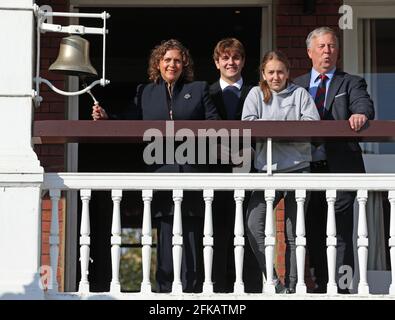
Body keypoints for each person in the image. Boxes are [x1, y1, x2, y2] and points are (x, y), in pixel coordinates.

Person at [92, 39, 219, 293]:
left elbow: (215, 124)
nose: (172, 64)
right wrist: (106, 118)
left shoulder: (199, 88)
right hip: (160, 174)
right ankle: (163, 295)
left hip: (192, 174)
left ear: (185, 64)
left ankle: (191, 296)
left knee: (192, 241)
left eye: (177, 60)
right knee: (166, 241)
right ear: (158, 64)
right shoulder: (145, 92)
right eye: (167, 60)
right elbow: (129, 122)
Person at [293, 27, 375, 293]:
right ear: (309, 52)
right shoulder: (297, 86)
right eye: (321, 47)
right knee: (312, 234)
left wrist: (359, 114)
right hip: (306, 169)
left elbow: (364, 105)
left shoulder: (350, 82)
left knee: (340, 235)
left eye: (331, 46)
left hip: (340, 168)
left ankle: (342, 289)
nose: (327, 51)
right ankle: (319, 287)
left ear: (337, 51)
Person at [242, 50, 320, 293]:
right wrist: (283, 129)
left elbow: (312, 125)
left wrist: (276, 131)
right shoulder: (256, 94)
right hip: (268, 172)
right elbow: (248, 125)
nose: (276, 77)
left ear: (288, 73)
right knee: (254, 225)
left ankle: (295, 287)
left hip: (298, 170)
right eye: (271, 72)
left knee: (294, 233)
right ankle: (275, 282)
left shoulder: (300, 95)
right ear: (264, 74)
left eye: (280, 72)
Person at [209, 38, 262, 293]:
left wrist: (251, 151)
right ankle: (216, 291)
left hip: (249, 171)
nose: (231, 63)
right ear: (217, 62)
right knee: (217, 235)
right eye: (225, 58)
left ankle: (251, 290)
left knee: (250, 232)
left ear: (243, 61)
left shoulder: (258, 92)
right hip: (214, 174)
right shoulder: (205, 93)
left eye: (236, 57)